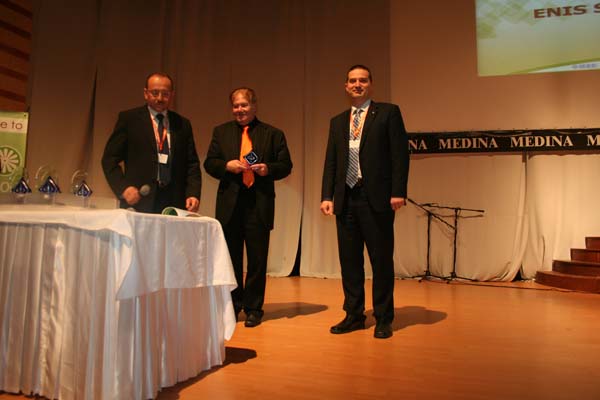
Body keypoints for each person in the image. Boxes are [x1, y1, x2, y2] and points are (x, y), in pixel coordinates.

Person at [320, 65, 409, 339]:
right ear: (346, 86)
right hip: (346, 199)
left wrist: (398, 191)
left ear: (370, 84)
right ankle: (354, 315)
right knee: (349, 262)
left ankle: (383, 318)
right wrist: (327, 196)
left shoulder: (388, 113)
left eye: (362, 80)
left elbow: (399, 155)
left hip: (377, 199)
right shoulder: (337, 121)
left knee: (380, 261)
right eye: (352, 81)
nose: (357, 84)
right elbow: (331, 161)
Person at [204, 87, 292, 327]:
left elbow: (286, 165)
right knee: (230, 259)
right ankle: (232, 305)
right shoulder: (221, 132)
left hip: (258, 204)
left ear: (254, 105)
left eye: (244, 105)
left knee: (257, 260)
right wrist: (226, 166)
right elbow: (209, 163)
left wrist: (267, 169)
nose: (239, 110)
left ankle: (254, 308)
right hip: (230, 205)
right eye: (235, 106)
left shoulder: (273, 134)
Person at [102, 72, 201, 213]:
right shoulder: (129, 120)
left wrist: (193, 193)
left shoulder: (183, 124)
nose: (160, 98)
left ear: (172, 95)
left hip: (174, 202)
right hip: (140, 201)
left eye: (165, 94)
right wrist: (123, 188)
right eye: (155, 93)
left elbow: (192, 164)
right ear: (145, 93)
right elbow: (109, 159)